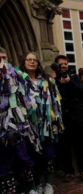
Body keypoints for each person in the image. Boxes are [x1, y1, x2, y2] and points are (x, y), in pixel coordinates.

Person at [20, 52, 64, 194]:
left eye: (35, 60)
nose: (32, 62)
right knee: (31, 155)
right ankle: (35, 186)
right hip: (28, 125)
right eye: (29, 60)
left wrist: (55, 118)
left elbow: (55, 102)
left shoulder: (47, 80)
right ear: (24, 62)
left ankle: (48, 184)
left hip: (46, 124)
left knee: (48, 154)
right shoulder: (19, 80)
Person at [0, 48, 37, 194]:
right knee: (4, 162)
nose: (2, 61)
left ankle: (30, 188)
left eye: (4, 57)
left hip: (17, 125)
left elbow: (26, 97)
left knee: (23, 157)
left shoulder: (16, 75)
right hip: (1, 129)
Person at [53, 55, 83, 181]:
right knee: (65, 145)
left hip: (76, 115)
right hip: (62, 116)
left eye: (65, 63)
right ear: (57, 65)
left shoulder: (75, 77)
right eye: (61, 63)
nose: (63, 65)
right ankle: (69, 171)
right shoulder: (54, 79)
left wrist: (69, 82)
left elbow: (81, 91)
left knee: (80, 144)